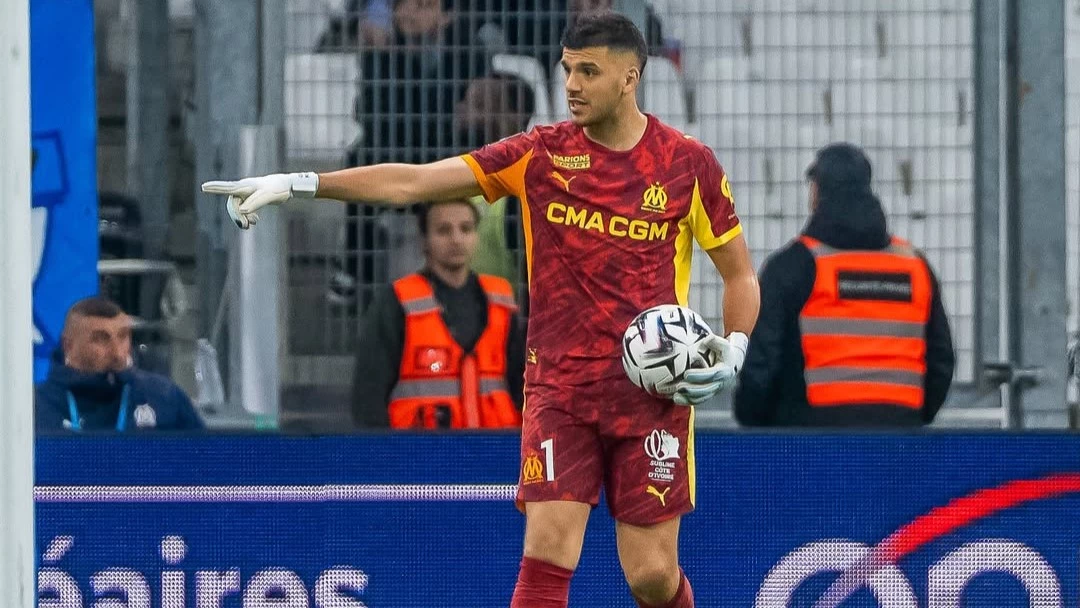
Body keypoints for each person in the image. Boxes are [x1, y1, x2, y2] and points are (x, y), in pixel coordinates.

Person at [203, 12, 759, 607]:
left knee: (650, 574)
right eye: (567, 69)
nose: (571, 84)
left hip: (649, 396)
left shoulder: (686, 164)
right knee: (547, 555)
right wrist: (301, 183)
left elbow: (740, 274)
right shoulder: (539, 155)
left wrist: (735, 347)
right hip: (560, 392)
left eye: (589, 71)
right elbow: (414, 183)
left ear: (631, 78)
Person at [734, 143, 955, 427]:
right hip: (900, 442)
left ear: (816, 191)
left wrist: (757, 424)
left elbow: (761, 365)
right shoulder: (914, 266)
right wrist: (909, 420)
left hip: (811, 444)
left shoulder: (793, 266)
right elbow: (941, 361)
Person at [352, 199, 526, 428]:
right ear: (424, 240)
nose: (456, 239)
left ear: (476, 236)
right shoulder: (397, 302)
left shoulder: (501, 300)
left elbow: (523, 388)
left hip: (495, 452)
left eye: (466, 229)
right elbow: (369, 396)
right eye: (444, 230)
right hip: (419, 455)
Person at [35, 296, 204, 432]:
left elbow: (204, 466)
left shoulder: (163, 396)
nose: (117, 352)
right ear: (68, 345)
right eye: (100, 339)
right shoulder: (37, 405)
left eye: (123, 337)